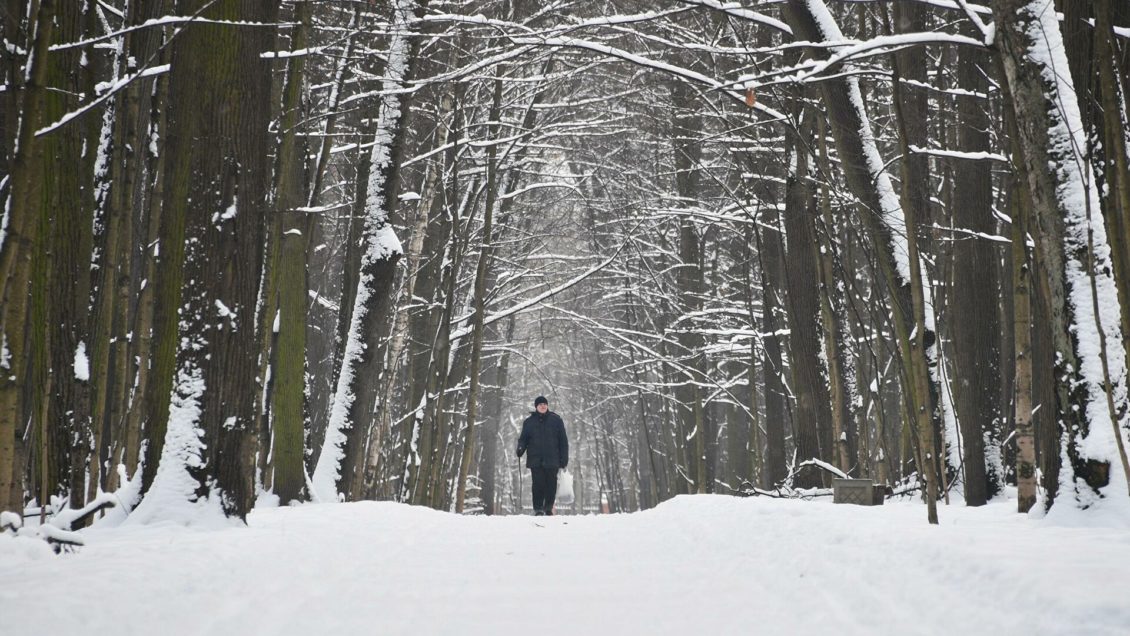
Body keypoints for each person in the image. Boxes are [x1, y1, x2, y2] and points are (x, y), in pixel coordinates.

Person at [516, 395, 568, 516]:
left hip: (553, 459)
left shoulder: (557, 420)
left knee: (551, 484)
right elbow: (523, 439)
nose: (543, 406)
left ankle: (548, 508)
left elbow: (563, 442)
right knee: (538, 484)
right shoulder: (528, 422)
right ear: (536, 407)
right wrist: (520, 448)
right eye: (540, 404)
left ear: (547, 406)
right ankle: (538, 508)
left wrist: (564, 458)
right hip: (535, 459)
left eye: (545, 404)